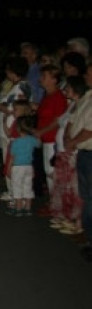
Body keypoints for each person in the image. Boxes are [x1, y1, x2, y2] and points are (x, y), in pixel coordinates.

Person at [0, 56, 31, 202]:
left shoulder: (20, 88)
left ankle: (14, 194)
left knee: (11, 162)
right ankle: (14, 193)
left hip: (12, 128)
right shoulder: (21, 85)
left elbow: (12, 108)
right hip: (11, 127)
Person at [49, 75, 86, 235]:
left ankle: (77, 221)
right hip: (64, 150)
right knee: (64, 186)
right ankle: (66, 216)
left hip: (74, 151)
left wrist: (70, 141)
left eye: (68, 88)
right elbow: (66, 123)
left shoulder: (82, 105)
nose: (65, 90)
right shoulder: (72, 105)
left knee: (75, 188)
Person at [65, 66, 92, 262]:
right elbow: (73, 120)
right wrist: (68, 137)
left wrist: (73, 141)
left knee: (90, 198)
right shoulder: (87, 97)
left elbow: (89, 130)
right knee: (85, 196)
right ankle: (88, 236)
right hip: (83, 153)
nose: (85, 76)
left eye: (89, 73)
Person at [34, 64, 68, 196]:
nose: (40, 79)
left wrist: (41, 132)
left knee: (52, 172)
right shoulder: (47, 95)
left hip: (52, 138)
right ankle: (53, 202)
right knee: (47, 170)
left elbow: (57, 120)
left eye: (44, 76)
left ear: (54, 79)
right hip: (45, 137)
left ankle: (56, 204)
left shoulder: (58, 97)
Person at [4, 115, 38, 217]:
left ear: (18, 128)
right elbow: (38, 144)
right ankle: (28, 208)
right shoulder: (32, 140)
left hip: (17, 166)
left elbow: (12, 157)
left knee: (17, 186)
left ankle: (18, 208)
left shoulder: (16, 142)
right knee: (28, 186)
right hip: (28, 166)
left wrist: (9, 168)